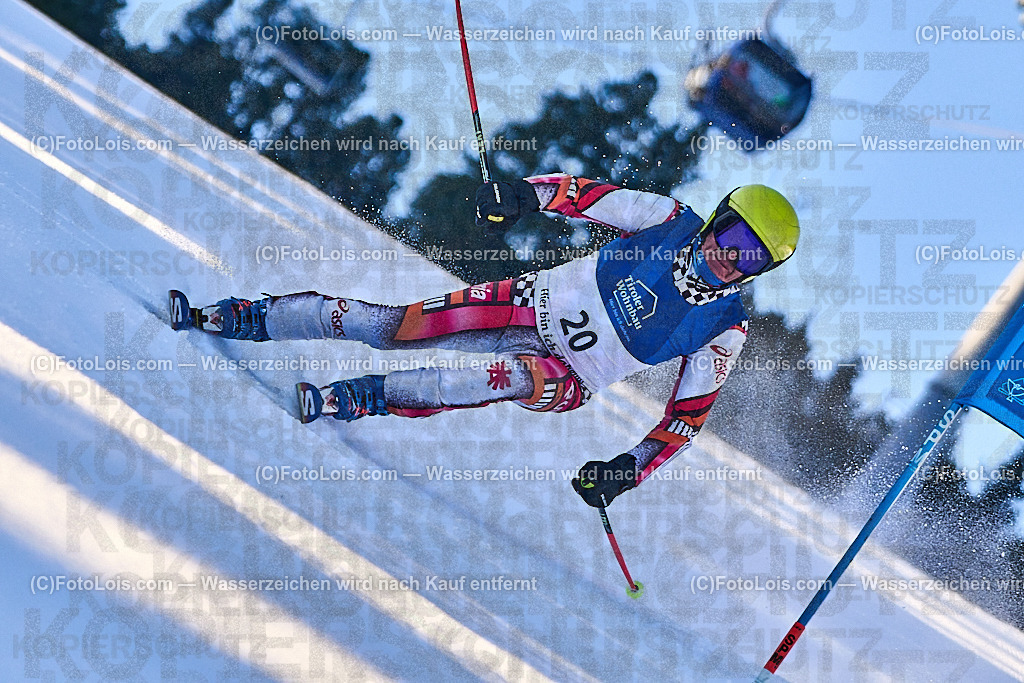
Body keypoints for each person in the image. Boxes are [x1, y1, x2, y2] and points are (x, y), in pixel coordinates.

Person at [173, 173, 799, 509]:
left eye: (750, 258)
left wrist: (624, 472)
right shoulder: (667, 219)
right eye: (731, 236)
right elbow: (586, 198)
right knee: (394, 328)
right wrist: (526, 195)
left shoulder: (725, 331)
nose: (729, 257)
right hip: (530, 304)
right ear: (715, 219)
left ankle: (364, 397)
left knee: (492, 379)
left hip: (570, 378)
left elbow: (685, 420)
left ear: (757, 274)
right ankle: (251, 317)